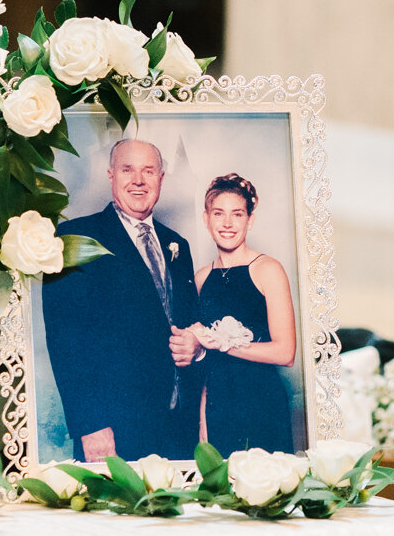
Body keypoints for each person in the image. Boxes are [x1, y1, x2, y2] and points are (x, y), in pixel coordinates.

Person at [42, 137, 203, 461]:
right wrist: (90, 425)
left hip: (178, 429)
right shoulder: (75, 239)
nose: (138, 180)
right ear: (111, 175)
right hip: (113, 430)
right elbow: (65, 341)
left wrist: (196, 346)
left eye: (148, 171)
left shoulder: (178, 245)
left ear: (161, 178)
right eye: (128, 169)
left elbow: (186, 324)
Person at [191, 174, 298, 453]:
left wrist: (221, 343)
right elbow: (206, 366)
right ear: (206, 219)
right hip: (217, 406)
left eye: (237, 214)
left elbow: (285, 353)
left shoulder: (268, 269)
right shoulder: (201, 278)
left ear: (249, 220)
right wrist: (202, 417)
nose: (227, 223)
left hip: (261, 402)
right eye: (219, 213)